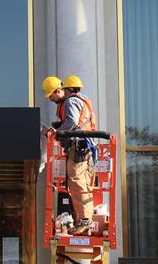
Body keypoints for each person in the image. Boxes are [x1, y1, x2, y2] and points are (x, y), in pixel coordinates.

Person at [41, 74, 97, 236]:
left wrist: (56, 132)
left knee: (76, 181)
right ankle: (84, 218)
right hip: (84, 146)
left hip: (78, 147)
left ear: (59, 91)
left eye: (51, 95)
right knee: (81, 182)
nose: (51, 99)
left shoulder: (71, 101)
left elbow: (72, 122)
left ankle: (85, 220)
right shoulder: (80, 100)